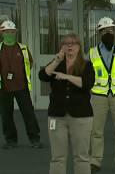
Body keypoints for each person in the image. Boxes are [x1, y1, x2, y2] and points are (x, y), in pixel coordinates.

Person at [39, 33, 95, 174]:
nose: (69, 46)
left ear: (79, 47)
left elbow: (87, 84)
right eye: (66, 43)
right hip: (57, 116)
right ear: (61, 47)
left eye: (73, 43)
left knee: (82, 157)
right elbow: (43, 76)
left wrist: (66, 77)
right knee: (57, 157)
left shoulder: (87, 65)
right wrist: (56, 61)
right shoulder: (56, 64)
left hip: (81, 116)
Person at [89, 17, 115, 173]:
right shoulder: (92, 53)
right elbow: (88, 75)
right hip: (98, 96)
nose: (109, 32)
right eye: (105, 30)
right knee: (96, 130)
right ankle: (95, 161)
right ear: (100, 33)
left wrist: (114, 84)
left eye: (111, 30)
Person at [0, 20, 42, 149]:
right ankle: (11, 140)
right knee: (6, 115)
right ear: (1, 33)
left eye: (12, 32)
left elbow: (30, 62)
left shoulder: (23, 48)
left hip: (21, 87)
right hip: (3, 88)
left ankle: (35, 139)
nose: (10, 34)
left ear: (15, 33)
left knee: (28, 113)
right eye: (7, 32)